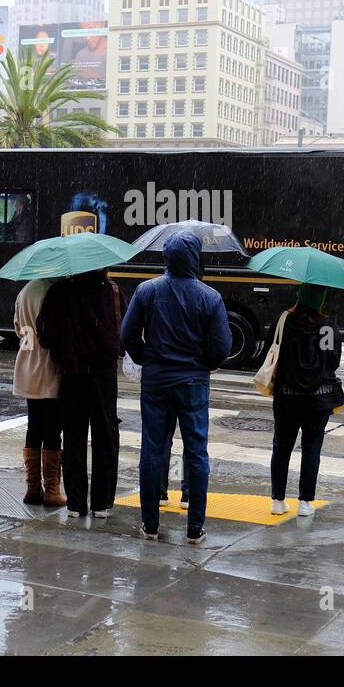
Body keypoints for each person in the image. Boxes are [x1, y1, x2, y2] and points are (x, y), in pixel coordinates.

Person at [121, 231, 232, 545]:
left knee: (152, 450)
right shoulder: (210, 297)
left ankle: (150, 524)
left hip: (156, 381)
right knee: (196, 453)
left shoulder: (147, 291)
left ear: (166, 257)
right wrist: (202, 365)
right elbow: (222, 347)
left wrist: (148, 358)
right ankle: (195, 528)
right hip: (193, 383)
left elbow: (128, 335)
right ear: (196, 258)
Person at [37, 269, 124, 521]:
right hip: (104, 375)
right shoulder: (113, 291)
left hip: (72, 373)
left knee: (74, 435)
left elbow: (46, 336)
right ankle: (102, 502)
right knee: (105, 435)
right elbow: (124, 332)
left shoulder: (60, 292)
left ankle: (76, 502)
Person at [268, 284, 344, 518]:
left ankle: (278, 500)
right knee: (311, 449)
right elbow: (332, 361)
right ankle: (305, 502)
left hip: (287, 398)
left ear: (299, 297)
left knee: (281, 447)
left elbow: (272, 353)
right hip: (317, 400)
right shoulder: (327, 328)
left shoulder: (284, 321)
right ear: (321, 301)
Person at [14, 278, 67, 508]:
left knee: (34, 427)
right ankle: (52, 490)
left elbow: (17, 327)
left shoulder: (25, 291)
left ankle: (33, 487)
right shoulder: (53, 292)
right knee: (53, 429)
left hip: (26, 364)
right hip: (48, 366)